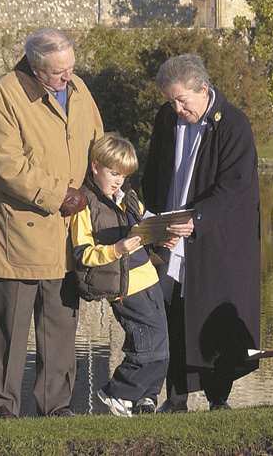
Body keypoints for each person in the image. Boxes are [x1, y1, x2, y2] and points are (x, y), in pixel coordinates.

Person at [0, 28, 102, 418]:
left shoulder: (79, 89)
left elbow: (97, 141)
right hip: (20, 231)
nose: (67, 78)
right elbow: (5, 164)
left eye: (70, 68)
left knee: (61, 324)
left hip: (68, 230)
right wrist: (58, 194)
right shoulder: (4, 94)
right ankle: (2, 407)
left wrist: (105, 182)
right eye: (57, 73)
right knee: (9, 327)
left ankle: (56, 405)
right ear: (35, 66)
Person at [141, 53, 261, 412]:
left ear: (203, 89)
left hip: (216, 239)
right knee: (170, 314)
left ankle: (217, 398)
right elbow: (155, 173)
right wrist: (155, 220)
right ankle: (174, 398)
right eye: (171, 100)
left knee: (213, 317)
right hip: (169, 237)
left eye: (182, 100)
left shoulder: (233, 124)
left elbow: (236, 187)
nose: (177, 108)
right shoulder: (167, 119)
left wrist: (199, 219)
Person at [70, 134, 183, 417]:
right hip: (123, 285)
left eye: (125, 175)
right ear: (95, 166)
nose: (119, 180)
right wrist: (116, 249)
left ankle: (146, 397)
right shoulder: (85, 205)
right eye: (114, 173)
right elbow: (83, 254)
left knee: (161, 344)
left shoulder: (127, 198)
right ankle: (116, 392)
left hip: (149, 278)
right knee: (145, 344)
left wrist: (162, 236)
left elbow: (146, 221)